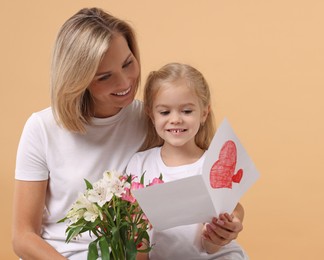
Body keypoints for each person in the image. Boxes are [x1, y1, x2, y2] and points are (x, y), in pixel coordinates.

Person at [12, 8, 245, 260]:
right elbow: (23, 237)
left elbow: (203, 189)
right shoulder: (42, 128)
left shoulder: (154, 118)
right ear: (78, 80)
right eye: (104, 77)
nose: (125, 83)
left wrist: (226, 227)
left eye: (127, 63)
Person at [126, 62, 248, 259]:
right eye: (165, 112)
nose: (176, 119)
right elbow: (135, 235)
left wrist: (223, 231)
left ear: (204, 113)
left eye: (187, 111)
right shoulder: (139, 165)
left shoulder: (212, 165)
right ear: (151, 114)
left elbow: (211, 244)